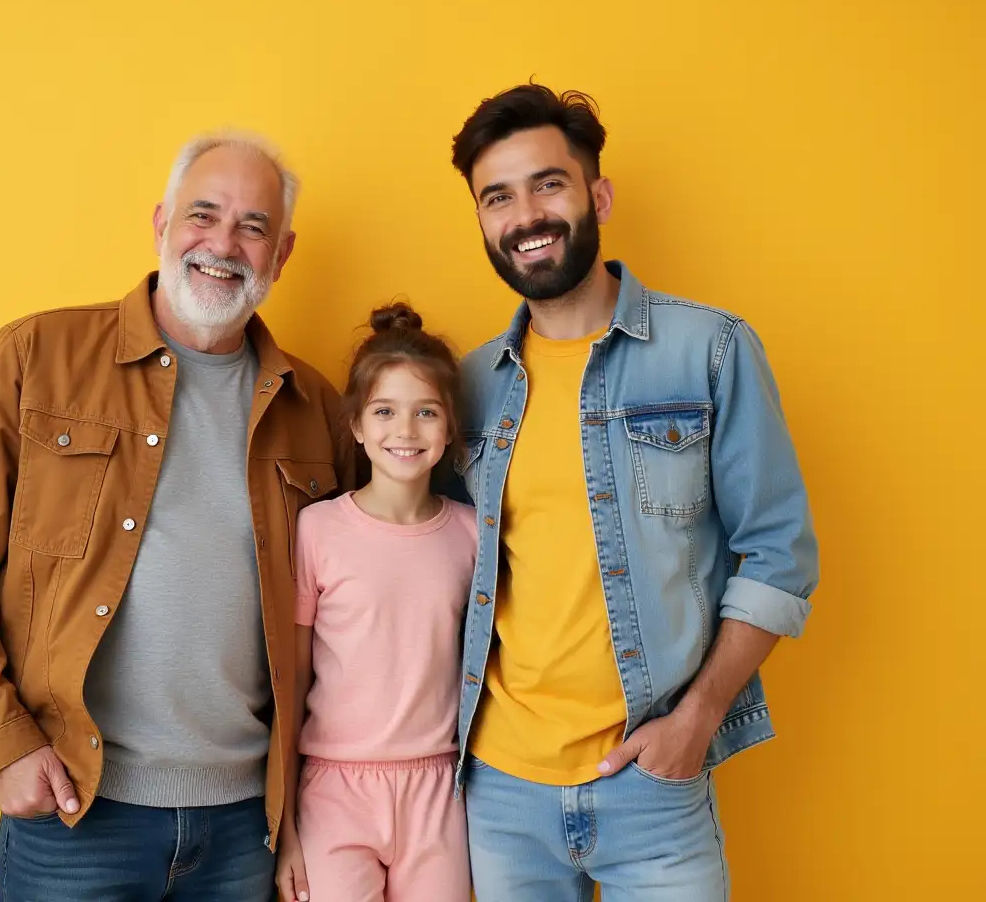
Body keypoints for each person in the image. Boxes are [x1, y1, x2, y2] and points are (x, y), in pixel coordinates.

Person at [0, 131, 350, 901]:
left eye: (253, 226)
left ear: (281, 254)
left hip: (248, 827)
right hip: (76, 815)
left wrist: (314, 808)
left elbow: (353, 619)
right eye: (202, 215)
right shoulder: (36, 355)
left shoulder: (319, 411)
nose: (223, 243)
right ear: (160, 224)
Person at [446, 83, 820, 901]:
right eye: (497, 197)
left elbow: (780, 557)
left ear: (597, 194)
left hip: (654, 786)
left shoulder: (710, 351)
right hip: (500, 792)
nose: (526, 216)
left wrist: (697, 721)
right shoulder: (470, 386)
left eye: (549, 183)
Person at [275, 305, 477, 902]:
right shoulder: (317, 529)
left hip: (440, 787)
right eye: (384, 411)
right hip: (334, 789)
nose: (405, 430)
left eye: (426, 412)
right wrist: (284, 826)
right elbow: (294, 679)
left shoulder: (472, 534)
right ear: (358, 427)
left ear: (449, 429)